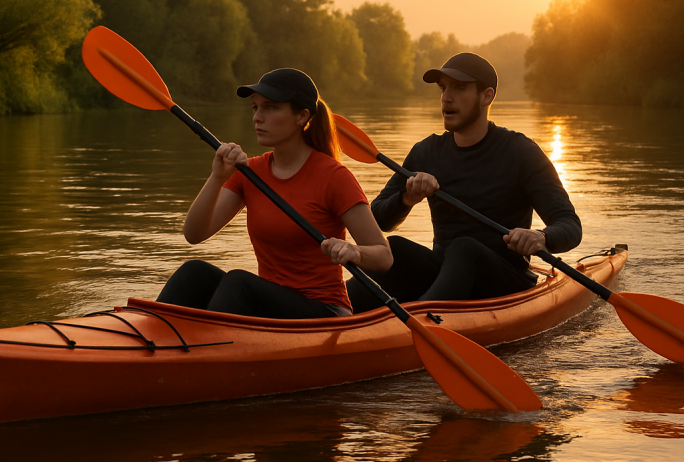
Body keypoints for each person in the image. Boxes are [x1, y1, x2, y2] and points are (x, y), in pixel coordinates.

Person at [347, 52, 582, 312]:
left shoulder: (521, 153)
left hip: (505, 281)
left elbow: (570, 225)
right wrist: (407, 198)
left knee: (465, 249)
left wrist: (541, 237)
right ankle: (335, 312)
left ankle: (423, 322)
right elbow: (378, 219)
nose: (447, 97)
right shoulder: (426, 152)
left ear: (486, 96)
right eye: (444, 88)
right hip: (447, 275)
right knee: (396, 250)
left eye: (459, 88)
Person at [157, 68, 392, 318]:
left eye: (270, 107)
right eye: (255, 108)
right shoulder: (250, 172)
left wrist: (354, 251)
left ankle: (207, 352)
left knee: (238, 283)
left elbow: (384, 255)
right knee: (194, 273)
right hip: (269, 304)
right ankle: (142, 340)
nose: (258, 117)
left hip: (325, 312)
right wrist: (217, 177)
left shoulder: (334, 177)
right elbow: (194, 234)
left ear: (302, 116)